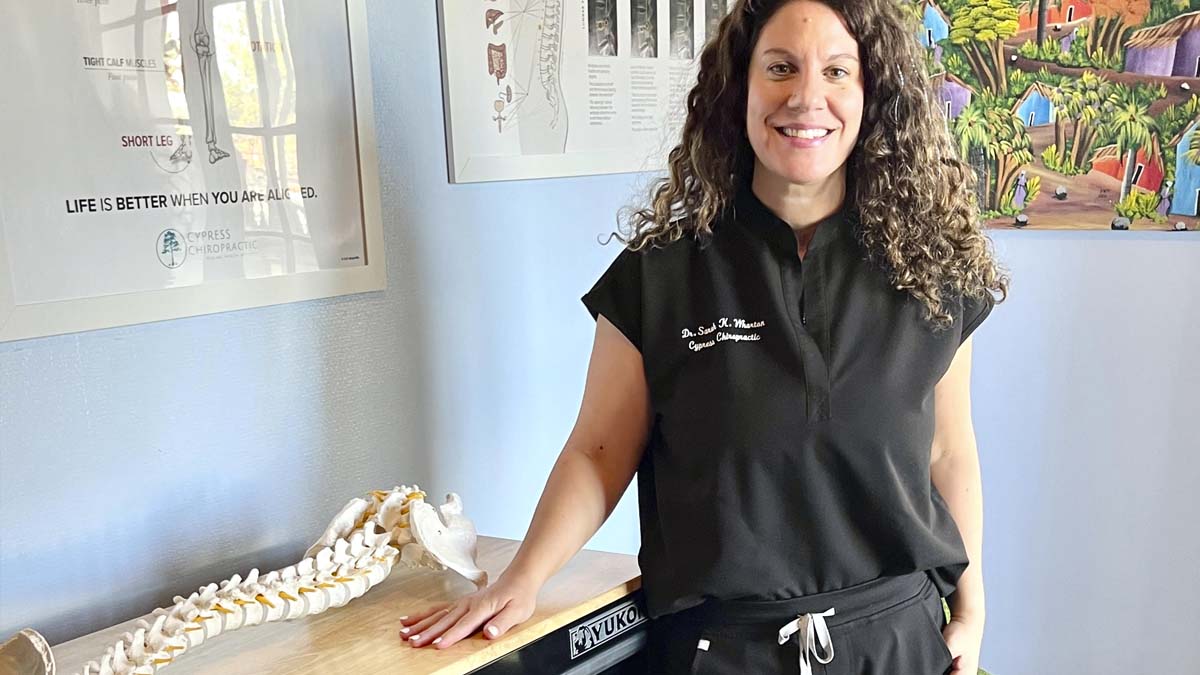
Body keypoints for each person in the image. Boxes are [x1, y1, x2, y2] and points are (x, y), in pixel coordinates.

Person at [398, 1, 1008, 673]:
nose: (808, 97)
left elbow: (950, 453)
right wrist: (523, 575)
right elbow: (599, 451)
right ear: (739, 88)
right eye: (780, 68)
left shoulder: (928, 273)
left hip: (896, 646)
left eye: (838, 70)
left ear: (873, 94)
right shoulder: (660, 273)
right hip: (718, 654)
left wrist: (973, 611)